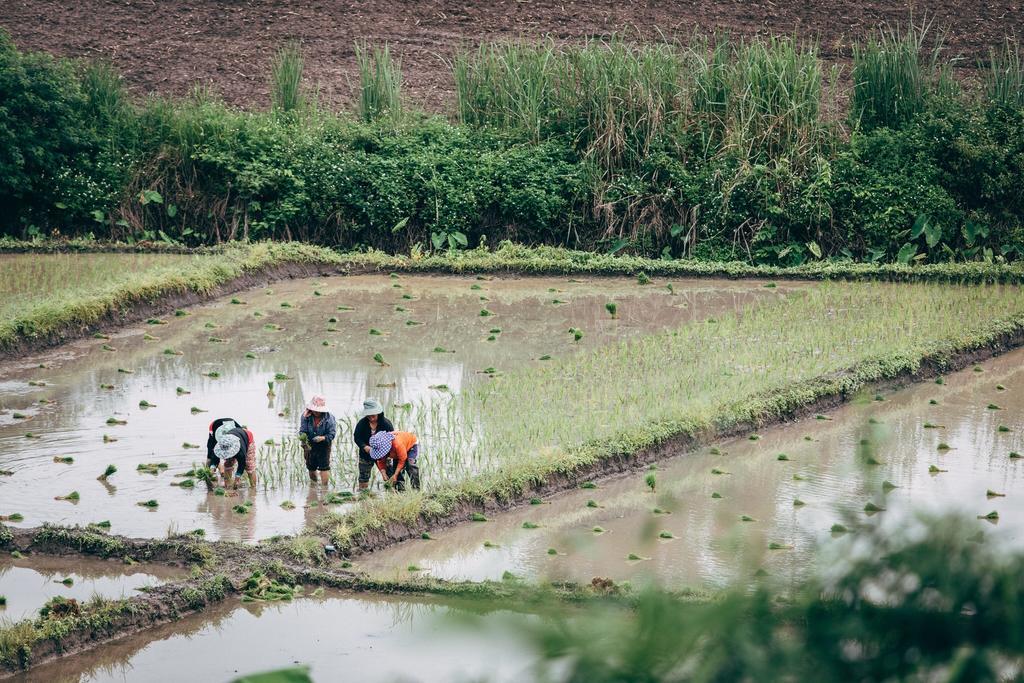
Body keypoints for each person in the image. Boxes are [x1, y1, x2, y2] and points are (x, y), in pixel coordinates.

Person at [353, 398, 393, 490]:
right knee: (363, 477)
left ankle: (391, 495)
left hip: (383, 454)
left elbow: (392, 439)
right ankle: (363, 496)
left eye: (373, 415)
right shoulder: (362, 424)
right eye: (369, 415)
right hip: (366, 454)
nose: (371, 417)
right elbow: (357, 437)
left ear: (378, 412)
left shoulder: (386, 424)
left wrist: (389, 455)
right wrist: (364, 447)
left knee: (389, 476)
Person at [299, 394, 336, 486]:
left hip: (324, 444)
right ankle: (314, 487)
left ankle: (324, 488)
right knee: (311, 467)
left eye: (318, 410)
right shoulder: (305, 416)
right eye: (314, 410)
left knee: (324, 467)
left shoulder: (329, 418)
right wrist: (304, 441)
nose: (316, 412)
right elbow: (302, 431)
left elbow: (331, 434)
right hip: (309, 444)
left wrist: (322, 438)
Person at [212, 420, 257, 490]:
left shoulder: (241, 450)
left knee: (249, 466)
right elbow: (214, 456)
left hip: (247, 438)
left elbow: (242, 464)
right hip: (233, 436)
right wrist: (213, 466)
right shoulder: (222, 443)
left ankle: (253, 489)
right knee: (228, 464)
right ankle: (228, 487)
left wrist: (237, 477)